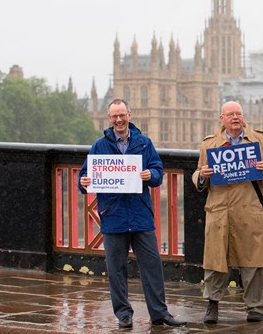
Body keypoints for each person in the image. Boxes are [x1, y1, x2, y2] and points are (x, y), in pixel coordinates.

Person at [78, 99, 186, 329]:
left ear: (130, 115)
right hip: (113, 215)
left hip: (140, 215)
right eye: (114, 116)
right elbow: (84, 177)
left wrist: (151, 175)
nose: (119, 120)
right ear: (109, 119)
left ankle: (159, 313)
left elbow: (158, 171)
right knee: (116, 270)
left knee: (152, 267)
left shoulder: (144, 143)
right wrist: (84, 181)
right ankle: (124, 315)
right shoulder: (99, 146)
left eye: (122, 115)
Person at [192, 101, 263, 324]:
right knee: (215, 261)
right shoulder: (209, 145)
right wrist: (202, 175)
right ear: (222, 118)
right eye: (230, 114)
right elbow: (197, 176)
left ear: (243, 117)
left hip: (249, 207)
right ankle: (212, 305)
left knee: (252, 262)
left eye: (238, 114)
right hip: (220, 210)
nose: (235, 118)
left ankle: (255, 306)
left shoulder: (259, 140)